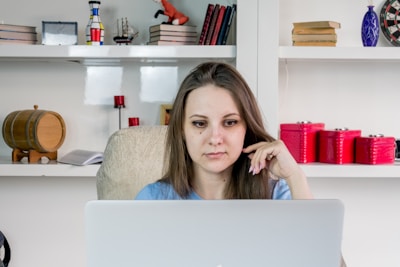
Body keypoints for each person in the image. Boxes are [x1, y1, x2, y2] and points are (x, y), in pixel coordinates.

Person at [136, 61, 313, 200]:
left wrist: (295, 176)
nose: (215, 138)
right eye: (199, 123)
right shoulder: (153, 199)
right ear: (181, 130)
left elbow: (315, 246)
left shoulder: (275, 195)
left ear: (247, 128)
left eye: (229, 122)